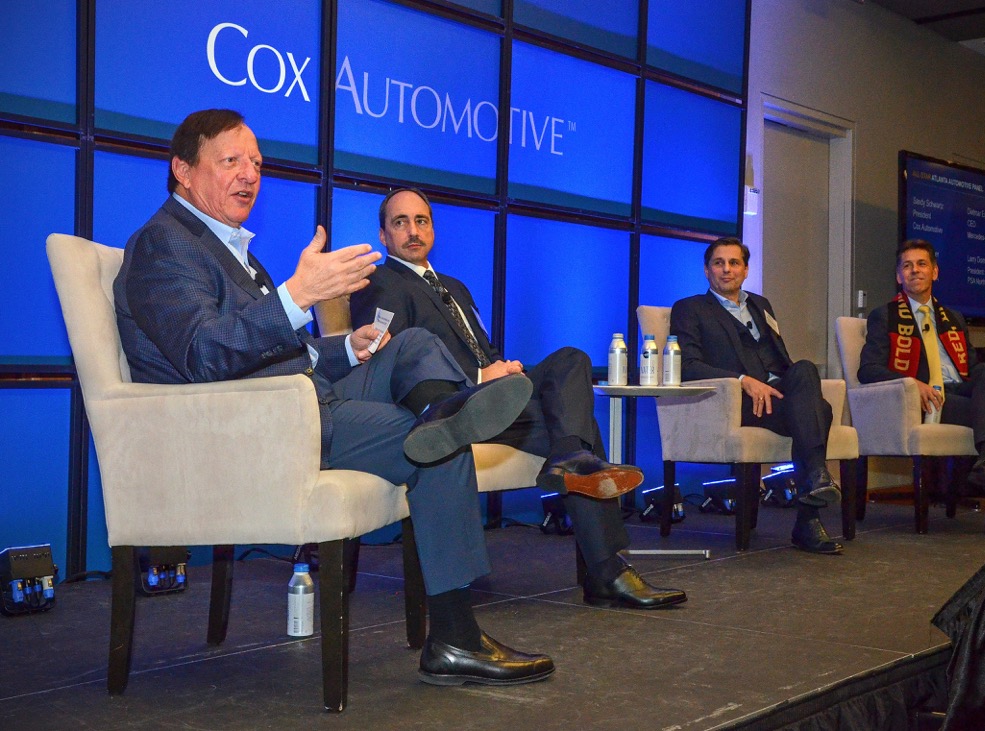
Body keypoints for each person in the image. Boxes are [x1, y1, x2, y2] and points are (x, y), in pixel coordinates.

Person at [113, 109, 555, 686]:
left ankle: (443, 407)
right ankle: (454, 638)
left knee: (412, 343)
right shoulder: (161, 245)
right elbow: (202, 355)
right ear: (183, 170)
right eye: (231, 161)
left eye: (257, 164)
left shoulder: (231, 250)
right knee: (437, 449)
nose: (250, 174)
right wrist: (298, 295)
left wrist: (347, 348)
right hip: (258, 427)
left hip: (301, 398)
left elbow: (277, 352)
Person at [348, 188, 687, 609]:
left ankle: (569, 461)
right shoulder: (380, 284)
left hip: (499, 397)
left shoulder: (454, 287)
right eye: (400, 222)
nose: (413, 231)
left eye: (421, 221)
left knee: (571, 362)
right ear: (383, 235)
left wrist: (501, 368)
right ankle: (607, 570)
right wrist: (478, 377)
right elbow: (390, 364)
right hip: (456, 408)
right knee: (583, 433)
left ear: (433, 228)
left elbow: (481, 349)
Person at [670, 237, 844, 554]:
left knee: (805, 370)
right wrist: (741, 380)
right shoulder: (690, 308)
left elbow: (781, 359)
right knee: (821, 411)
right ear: (707, 271)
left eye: (734, 263)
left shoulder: (761, 305)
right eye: (718, 263)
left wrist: (788, 385)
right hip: (736, 402)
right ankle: (809, 516)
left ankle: (815, 482)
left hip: (778, 394)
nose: (726, 269)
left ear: (746, 269)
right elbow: (687, 365)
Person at [858, 239, 985, 537]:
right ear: (898, 276)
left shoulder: (952, 318)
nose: (914, 271)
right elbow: (867, 371)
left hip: (959, 390)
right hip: (925, 398)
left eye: (921, 264)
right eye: (907, 266)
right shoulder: (885, 316)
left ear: (935, 272)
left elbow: (974, 368)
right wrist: (911, 383)